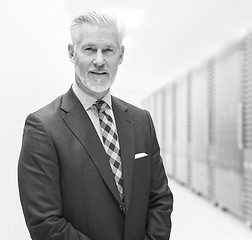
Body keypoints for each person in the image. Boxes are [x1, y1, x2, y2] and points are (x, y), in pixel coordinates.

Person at [18, 9, 173, 240]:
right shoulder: (42, 127)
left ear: (120, 55)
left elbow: (159, 199)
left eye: (108, 50)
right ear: (72, 53)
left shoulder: (141, 121)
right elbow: (45, 223)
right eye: (89, 49)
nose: (99, 61)